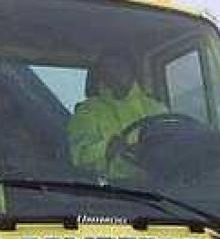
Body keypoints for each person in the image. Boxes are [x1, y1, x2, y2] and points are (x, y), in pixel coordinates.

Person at [69, 50, 167, 180]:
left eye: (119, 67)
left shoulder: (156, 108)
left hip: (159, 189)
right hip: (110, 192)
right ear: (101, 76)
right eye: (108, 70)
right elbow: (78, 157)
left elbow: (170, 146)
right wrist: (106, 148)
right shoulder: (87, 111)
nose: (115, 74)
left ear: (132, 71)